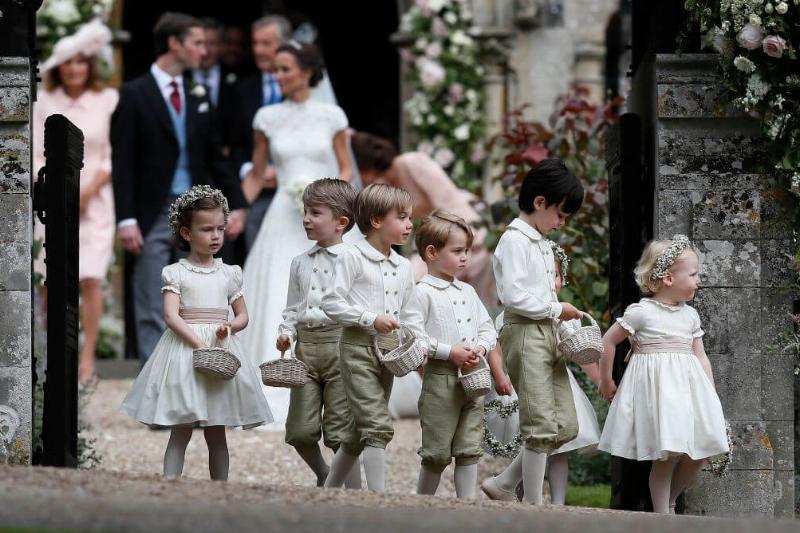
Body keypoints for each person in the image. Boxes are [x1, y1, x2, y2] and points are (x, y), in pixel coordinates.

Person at [111, 12, 247, 365]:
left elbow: (216, 155)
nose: (205, 50)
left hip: (198, 207)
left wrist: (239, 204)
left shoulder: (196, 93)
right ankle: (156, 388)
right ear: (175, 43)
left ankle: (196, 373)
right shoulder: (133, 93)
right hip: (151, 209)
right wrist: (125, 218)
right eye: (198, 43)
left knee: (200, 292)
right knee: (152, 294)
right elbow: (122, 161)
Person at [121, 186, 272, 480]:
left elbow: (243, 315)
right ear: (187, 234)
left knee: (217, 430)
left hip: (219, 349)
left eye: (220, 228)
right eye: (206, 229)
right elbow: (170, 315)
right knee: (182, 426)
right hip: (185, 352)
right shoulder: (176, 273)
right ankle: (170, 483)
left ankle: (220, 486)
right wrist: (197, 343)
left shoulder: (229, 273)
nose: (216, 236)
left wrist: (231, 326)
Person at [239, 41, 352, 430]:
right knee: (275, 291)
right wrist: (235, 209)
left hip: (327, 216)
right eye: (276, 70)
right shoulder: (266, 117)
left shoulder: (331, 115)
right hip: (283, 218)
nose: (279, 76)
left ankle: (338, 386)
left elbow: (346, 167)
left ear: (306, 71)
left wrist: (334, 202)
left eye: (286, 69)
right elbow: (256, 174)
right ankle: (276, 380)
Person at [597, 235, 728, 514]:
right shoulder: (641, 313)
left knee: (702, 450)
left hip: (688, 392)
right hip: (660, 395)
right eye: (693, 274)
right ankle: (662, 515)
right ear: (668, 278)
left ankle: (670, 499)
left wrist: (711, 394)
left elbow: (700, 355)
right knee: (666, 456)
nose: (698, 280)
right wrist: (607, 380)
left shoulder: (690, 316)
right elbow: (608, 341)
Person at [479, 159, 584, 505]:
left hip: (546, 334)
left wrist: (559, 319)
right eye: (561, 214)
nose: (562, 223)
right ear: (539, 203)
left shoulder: (539, 241)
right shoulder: (514, 241)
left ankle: (505, 482)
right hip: (524, 333)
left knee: (565, 425)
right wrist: (556, 308)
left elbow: (540, 295)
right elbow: (513, 296)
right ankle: (534, 505)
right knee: (540, 424)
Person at [484, 241, 602, 504]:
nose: (554, 281)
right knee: (538, 434)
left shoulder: (562, 311)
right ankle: (526, 498)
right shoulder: (511, 316)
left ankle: (508, 482)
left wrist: (599, 378)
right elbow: (497, 348)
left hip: (558, 381)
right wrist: (501, 377)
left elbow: (575, 346)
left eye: (557, 275)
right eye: (546, 274)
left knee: (563, 432)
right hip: (526, 382)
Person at [34, 19, 118, 385]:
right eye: (68, 62)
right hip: (54, 200)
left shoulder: (108, 99)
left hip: (96, 200)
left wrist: (85, 191)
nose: (75, 69)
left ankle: (87, 362)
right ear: (59, 67)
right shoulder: (45, 99)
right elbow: (37, 152)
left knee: (91, 278)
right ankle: (54, 357)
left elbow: (112, 154)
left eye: (81, 62)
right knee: (52, 277)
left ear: (90, 66)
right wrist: (59, 191)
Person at [321, 184, 416, 492]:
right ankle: (378, 497)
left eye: (409, 217)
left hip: (388, 354)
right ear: (376, 221)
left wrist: (420, 342)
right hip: (356, 349)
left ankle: (329, 490)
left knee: (354, 430)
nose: (409, 224)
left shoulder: (403, 266)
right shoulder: (351, 256)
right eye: (401, 217)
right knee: (376, 423)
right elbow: (332, 302)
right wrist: (370, 318)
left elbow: (411, 312)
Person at [403, 211, 496, 499]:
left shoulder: (468, 291)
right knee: (437, 450)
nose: (465, 257)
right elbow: (413, 335)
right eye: (457, 251)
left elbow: (487, 327)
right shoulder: (421, 293)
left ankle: (466, 507)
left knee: (469, 447)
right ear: (432, 252)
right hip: (440, 381)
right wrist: (448, 351)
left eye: (467, 250)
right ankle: (423, 502)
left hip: (474, 379)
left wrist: (481, 347)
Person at [276, 178, 361, 489]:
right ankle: (326, 475)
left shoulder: (355, 260)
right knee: (299, 430)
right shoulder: (300, 263)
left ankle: (353, 491)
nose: (306, 219)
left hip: (341, 346)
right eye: (305, 211)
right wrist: (286, 332)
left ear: (341, 222)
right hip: (305, 351)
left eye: (315, 213)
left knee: (340, 431)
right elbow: (292, 307)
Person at [350, 132, 494, 302]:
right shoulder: (385, 185)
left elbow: (449, 202)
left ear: (365, 167)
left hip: (464, 227)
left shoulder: (412, 162)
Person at [228, 15, 292, 252]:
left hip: (297, 191)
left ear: (285, 45)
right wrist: (251, 169)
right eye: (255, 43)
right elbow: (234, 144)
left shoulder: (304, 90)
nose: (258, 50)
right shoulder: (241, 90)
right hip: (255, 193)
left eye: (266, 43)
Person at [189, 17, 239, 153]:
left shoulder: (237, 81)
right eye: (199, 43)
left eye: (211, 44)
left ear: (222, 46)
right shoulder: (181, 79)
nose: (205, 51)